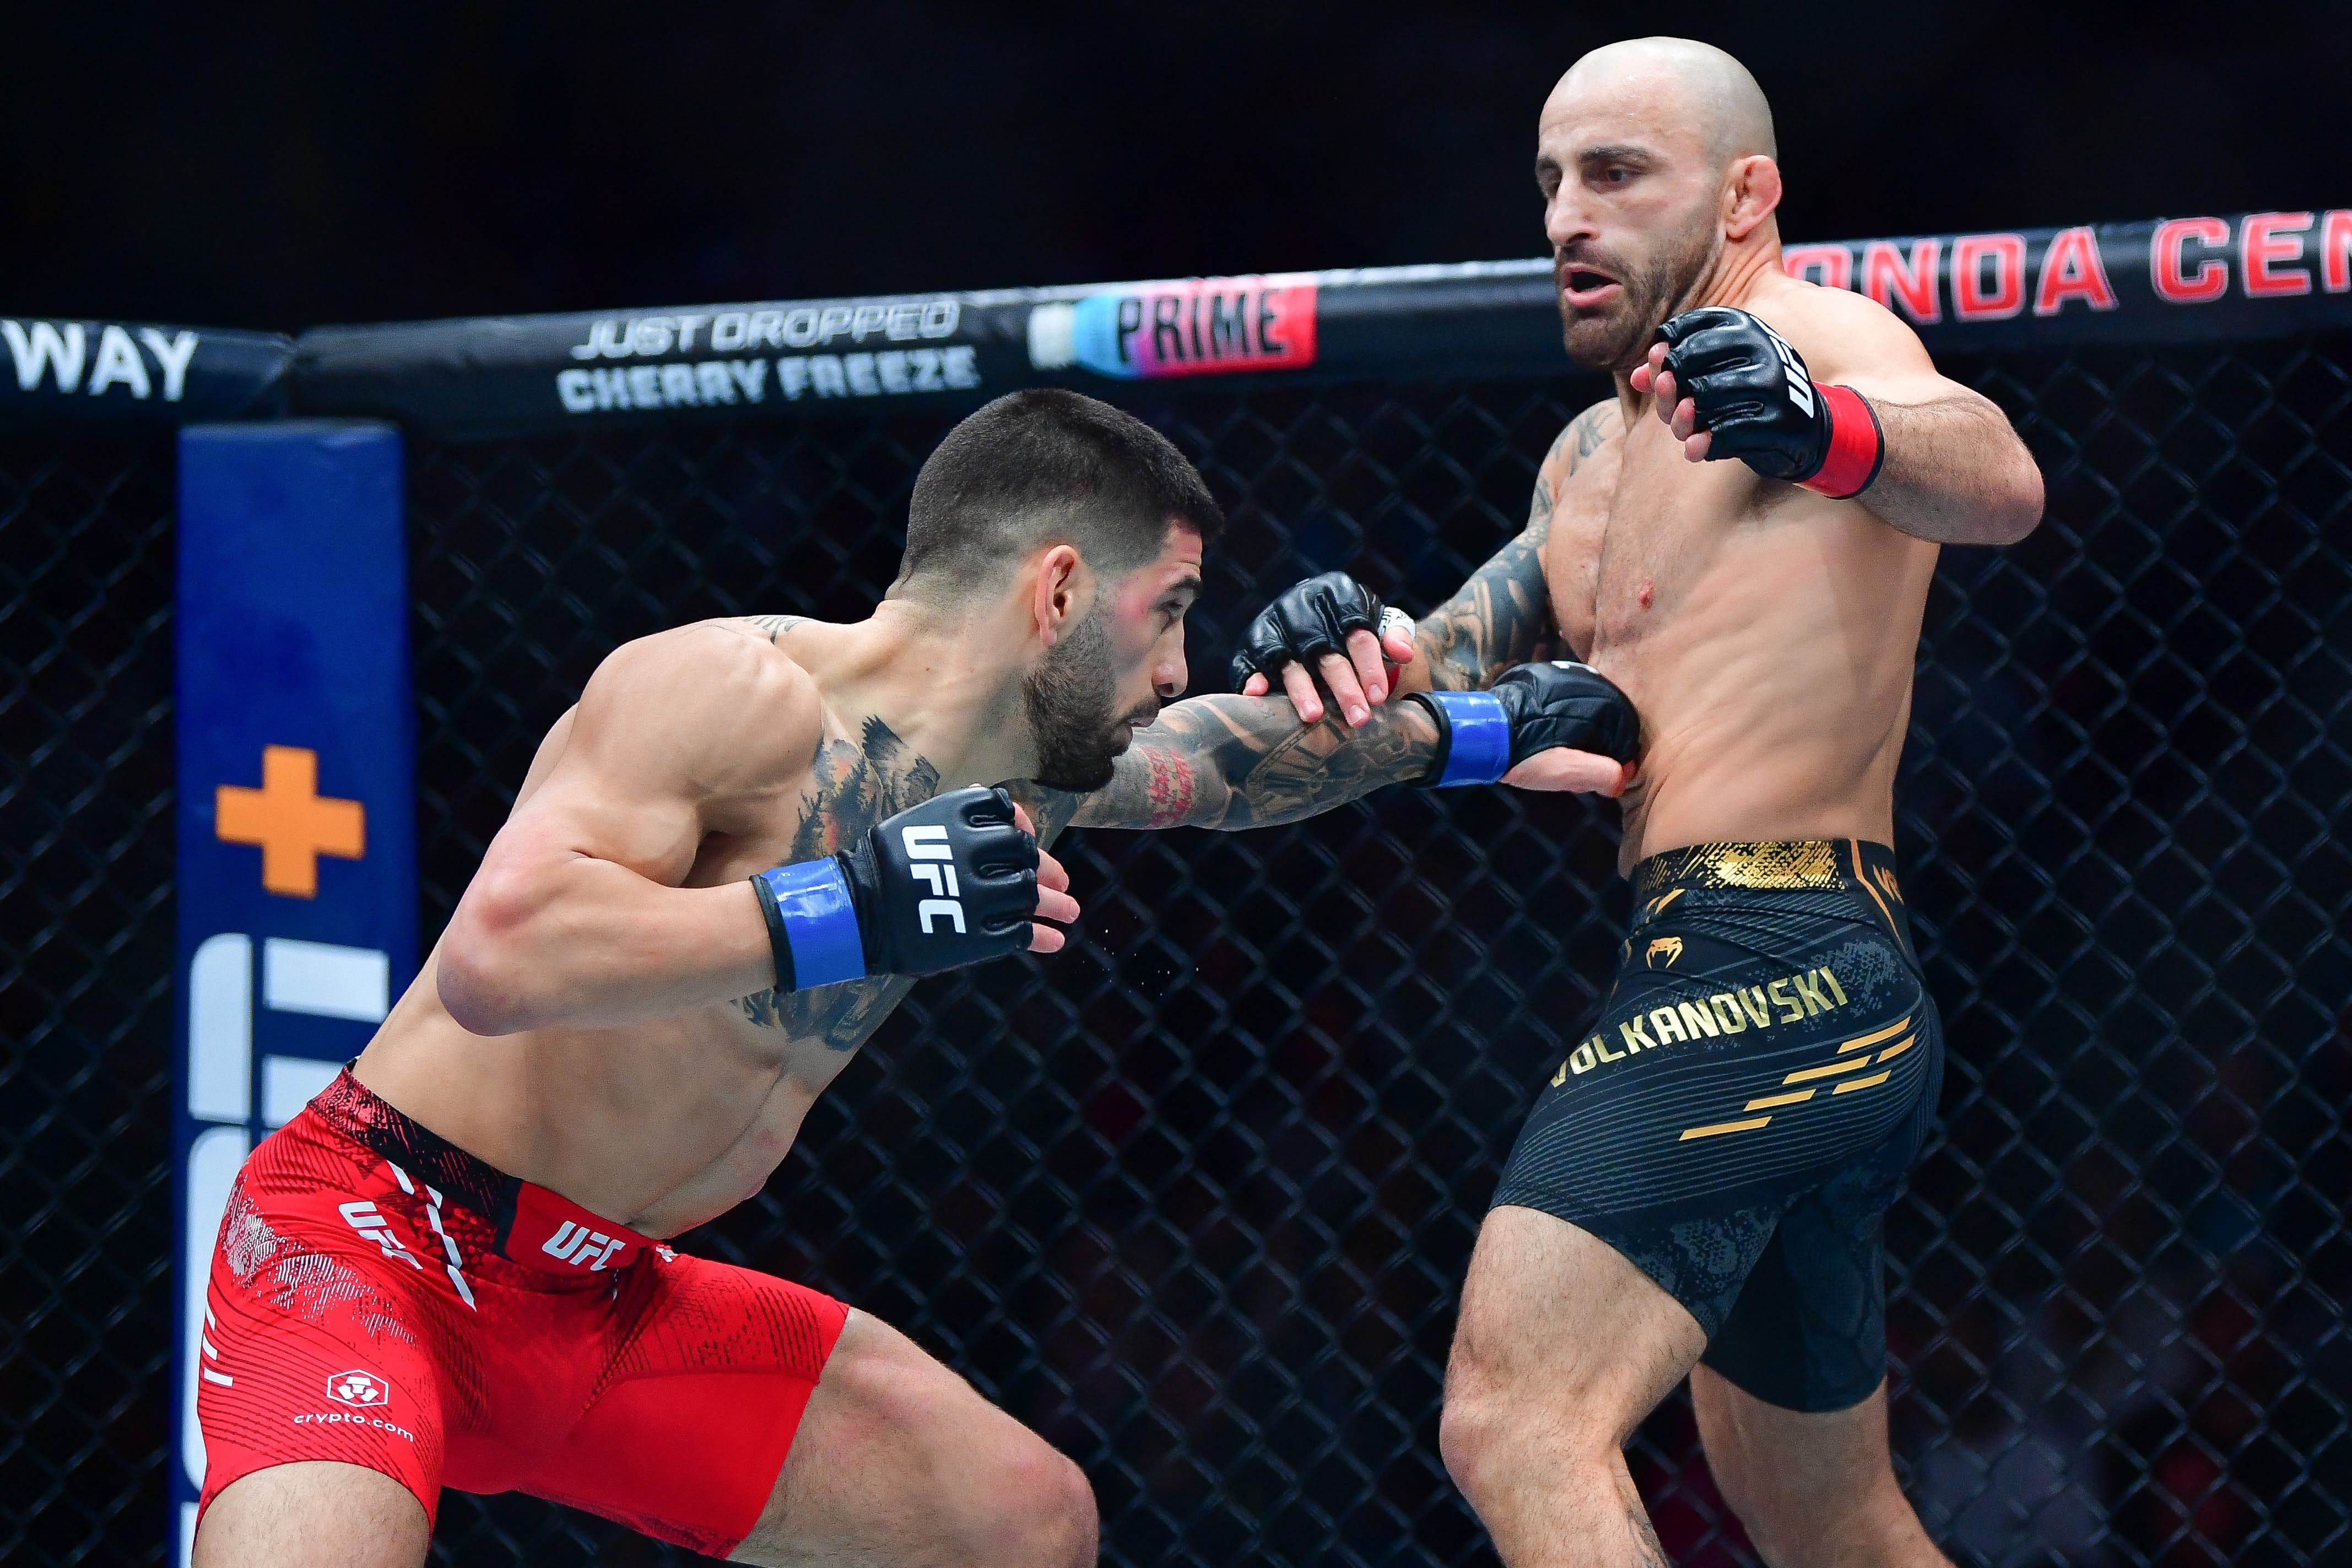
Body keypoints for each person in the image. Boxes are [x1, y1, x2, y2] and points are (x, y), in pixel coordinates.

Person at [193, 386, 1640, 1568]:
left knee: (1019, 1523)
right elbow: (505, 960)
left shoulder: (1013, 784)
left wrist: (1481, 730)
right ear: (1061, 589)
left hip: (600, 1300)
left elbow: (1231, 761)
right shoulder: (727, 692)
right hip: (374, 1243)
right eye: (1172, 611)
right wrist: (852, 909)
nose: (1177, 664)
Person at [1227, 36, 2043, 1568]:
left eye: (1613, 175)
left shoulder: (1820, 332)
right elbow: (1444, 655)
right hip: (1723, 968)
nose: (1563, 220)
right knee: (1828, 1522)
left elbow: (1998, 477)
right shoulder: (1586, 459)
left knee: (1516, 1421)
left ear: (1746, 194)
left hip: (1786, 954)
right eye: (1549, 182)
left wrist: (1825, 424)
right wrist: (1338, 641)